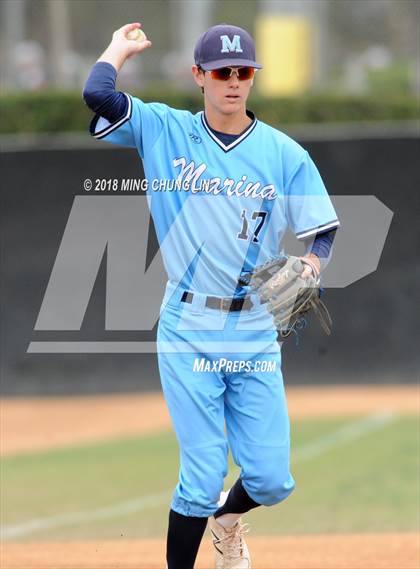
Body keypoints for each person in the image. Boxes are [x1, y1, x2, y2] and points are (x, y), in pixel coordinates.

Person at [83, 22, 339, 569]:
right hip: (188, 324)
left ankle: (228, 520)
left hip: (253, 329)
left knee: (271, 479)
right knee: (200, 479)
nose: (233, 81)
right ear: (199, 76)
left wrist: (314, 263)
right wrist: (117, 50)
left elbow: (323, 229)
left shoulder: (282, 153)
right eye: (222, 72)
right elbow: (97, 96)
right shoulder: (165, 130)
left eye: (243, 72)